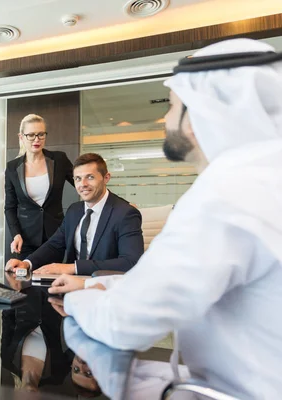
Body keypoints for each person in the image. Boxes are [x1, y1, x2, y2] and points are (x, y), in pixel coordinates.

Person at [49, 39, 282, 398]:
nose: (165, 118)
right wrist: (93, 286)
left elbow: (126, 323)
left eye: (172, 107)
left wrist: (77, 300)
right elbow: (160, 285)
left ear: (199, 112)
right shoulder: (261, 176)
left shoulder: (228, 192)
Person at [5, 153, 143, 276]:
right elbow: (54, 245)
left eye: (90, 177)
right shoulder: (74, 211)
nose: (82, 184)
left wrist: (73, 268)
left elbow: (130, 262)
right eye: (77, 178)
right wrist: (27, 263)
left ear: (106, 178)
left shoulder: (125, 214)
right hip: (70, 289)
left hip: (105, 291)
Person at [4, 114, 75, 260]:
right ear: (21, 137)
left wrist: (119, 202)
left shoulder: (59, 159)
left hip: (55, 237)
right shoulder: (12, 168)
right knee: (25, 281)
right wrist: (16, 234)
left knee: (53, 280)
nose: (37, 139)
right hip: (25, 238)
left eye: (41, 134)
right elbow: (10, 207)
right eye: (31, 135)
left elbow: (83, 184)